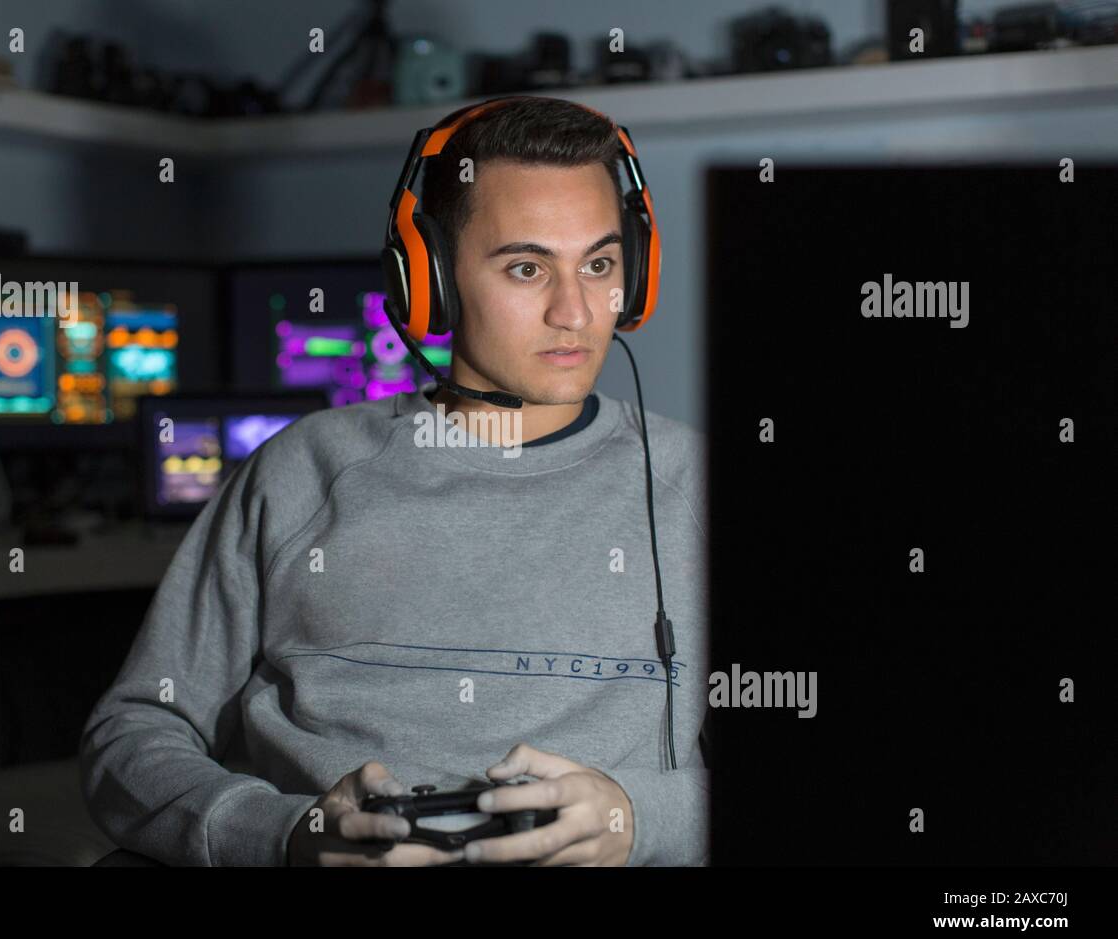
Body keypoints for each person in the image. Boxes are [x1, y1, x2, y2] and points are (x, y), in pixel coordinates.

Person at [80, 95, 709, 866]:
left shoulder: (694, 486)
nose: (576, 312)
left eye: (601, 266)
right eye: (525, 267)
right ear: (431, 280)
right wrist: (285, 835)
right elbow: (133, 735)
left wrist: (637, 820)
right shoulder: (299, 473)